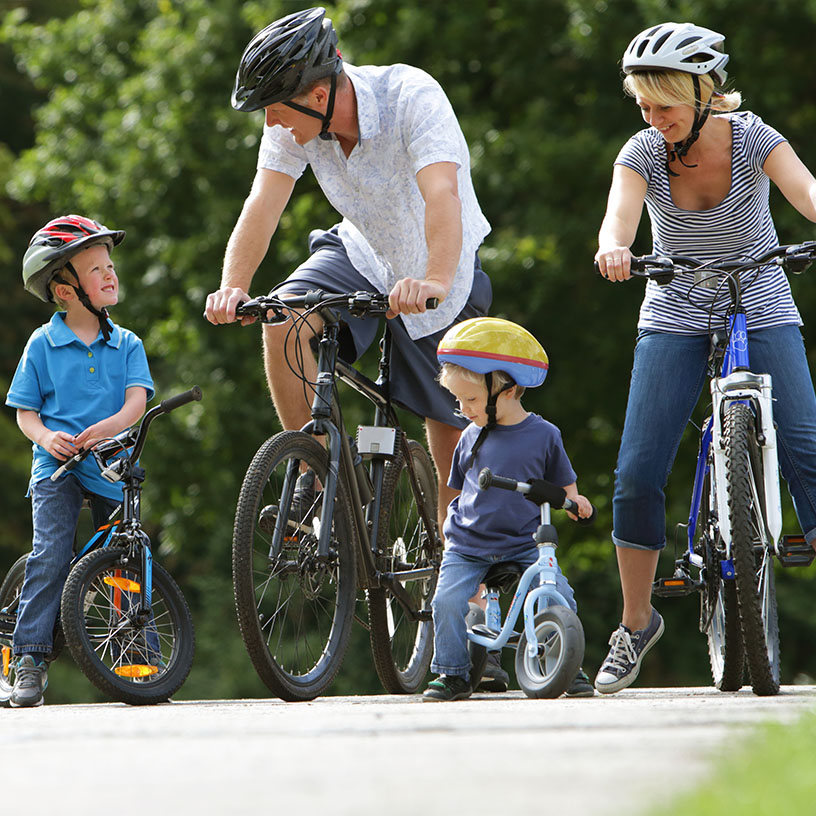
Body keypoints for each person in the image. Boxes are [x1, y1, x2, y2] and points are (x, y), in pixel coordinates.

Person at [203, 7, 492, 534]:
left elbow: (442, 194)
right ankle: (315, 478)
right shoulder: (294, 125)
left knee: (450, 430)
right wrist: (233, 288)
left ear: (319, 95)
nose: (270, 121)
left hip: (439, 269)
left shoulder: (410, 96)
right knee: (283, 319)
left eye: (274, 108)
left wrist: (436, 280)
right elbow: (263, 204)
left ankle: (460, 577)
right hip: (360, 254)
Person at [594, 22, 816, 694]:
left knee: (807, 446)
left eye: (663, 105)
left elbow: (806, 191)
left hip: (760, 293)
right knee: (636, 471)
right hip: (675, 304)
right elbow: (620, 215)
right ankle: (635, 625)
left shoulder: (753, 139)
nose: (652, 119)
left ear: (703, 93)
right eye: (643, 105)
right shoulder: (641, 151)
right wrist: (614, 247)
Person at [4, 215, 154, 707]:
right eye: (95, 269)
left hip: (112, 463)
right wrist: (47, 437)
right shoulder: (42, 345)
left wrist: (108, 429)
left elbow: (136, 404)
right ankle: (28, 658)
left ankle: (135, 652)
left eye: (110, 265)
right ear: (65, 291)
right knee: (51, 555)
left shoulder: (127, 343)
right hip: (58, 468)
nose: (110, 274)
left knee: (128, 555)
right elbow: (26, 414)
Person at [421, 317, 594, 701]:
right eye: (459, 401)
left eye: (471, 400)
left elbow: (564, 482)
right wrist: (449, 528)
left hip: (523, 543)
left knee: (557, 595)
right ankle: (452, 673)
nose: (463, 409)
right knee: (446, 602)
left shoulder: (544, 435)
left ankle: (566, 663)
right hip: (468, 544)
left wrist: (574, 501)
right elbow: (456, 489)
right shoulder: (470, 437)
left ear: (509, 390)